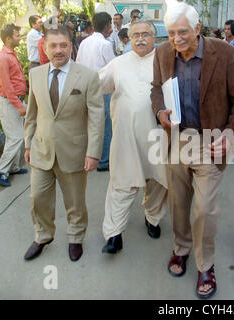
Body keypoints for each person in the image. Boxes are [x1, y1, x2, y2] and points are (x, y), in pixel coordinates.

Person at [151, 1, 234, 299]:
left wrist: (231, 134)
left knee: (204, 208)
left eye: (182, 31)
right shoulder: (162, 52)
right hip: (178, 139)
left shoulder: (225, 52)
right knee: (179, 202)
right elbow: (156, 89)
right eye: (171, 33)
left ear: (197, 28)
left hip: (211, 141)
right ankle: (180, 249)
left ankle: (205, 265)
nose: (176, 39)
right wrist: (159, 112)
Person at [23, 27, 104, 262]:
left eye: (63, 45)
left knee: (75, 202)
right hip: (41, 149)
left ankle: (75, 238)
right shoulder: (36, 74)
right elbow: (32, 113)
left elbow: (96, 117)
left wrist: (93, 152)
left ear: (71, 46)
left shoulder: (87, 76)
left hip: (74, 151)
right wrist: (28, 144)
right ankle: (43, 235)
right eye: (53, 45)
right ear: (45, 48)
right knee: (38, 197)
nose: (58, 50)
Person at [99, 20, 168, 253]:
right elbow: (95, 86)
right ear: (128, 37)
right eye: (135, 35)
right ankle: (114, 234)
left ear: (155, 37)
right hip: (125, 138)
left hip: (158, 137)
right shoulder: (118, 64)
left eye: (146, 34)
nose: (140, 39)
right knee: (121, 183)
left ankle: (152, 217)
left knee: (158, 182)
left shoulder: (167, 62)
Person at [76, 12, 115, 172]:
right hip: (101, 90)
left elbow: (77, 65)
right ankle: (103, 161)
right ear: (106, 26)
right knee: (105, 126)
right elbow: (114, 68)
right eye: (110, 24)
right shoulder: (105, 45)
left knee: (88, 123)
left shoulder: (85, 42)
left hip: (84, 88)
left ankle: (87, 156)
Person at [0, 23, 28, 187]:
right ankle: (2, 170)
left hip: (15, 101)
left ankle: (13, 167)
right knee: (16, 137)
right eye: (17, 35)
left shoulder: (11, 54)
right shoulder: (2, 58)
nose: (19, 38)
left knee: (16, 136)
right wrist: (19, 106)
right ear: (8, 39)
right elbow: (7, 87)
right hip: (9, 103)